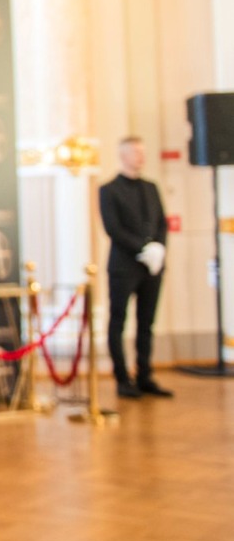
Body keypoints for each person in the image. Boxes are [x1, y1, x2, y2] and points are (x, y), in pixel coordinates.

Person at [99, 135, 172, 399]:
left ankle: (145, 375)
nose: (141, 157)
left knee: (147, 322)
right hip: (124, 266)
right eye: (136, 152)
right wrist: (143, 249)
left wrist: (158, 248)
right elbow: (113, 228)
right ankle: (122, 377)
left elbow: (162, 222)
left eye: (143, 152)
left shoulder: (151, 187)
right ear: (123, 155)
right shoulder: (109, 190)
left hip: (152, 267)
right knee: (118, 320)